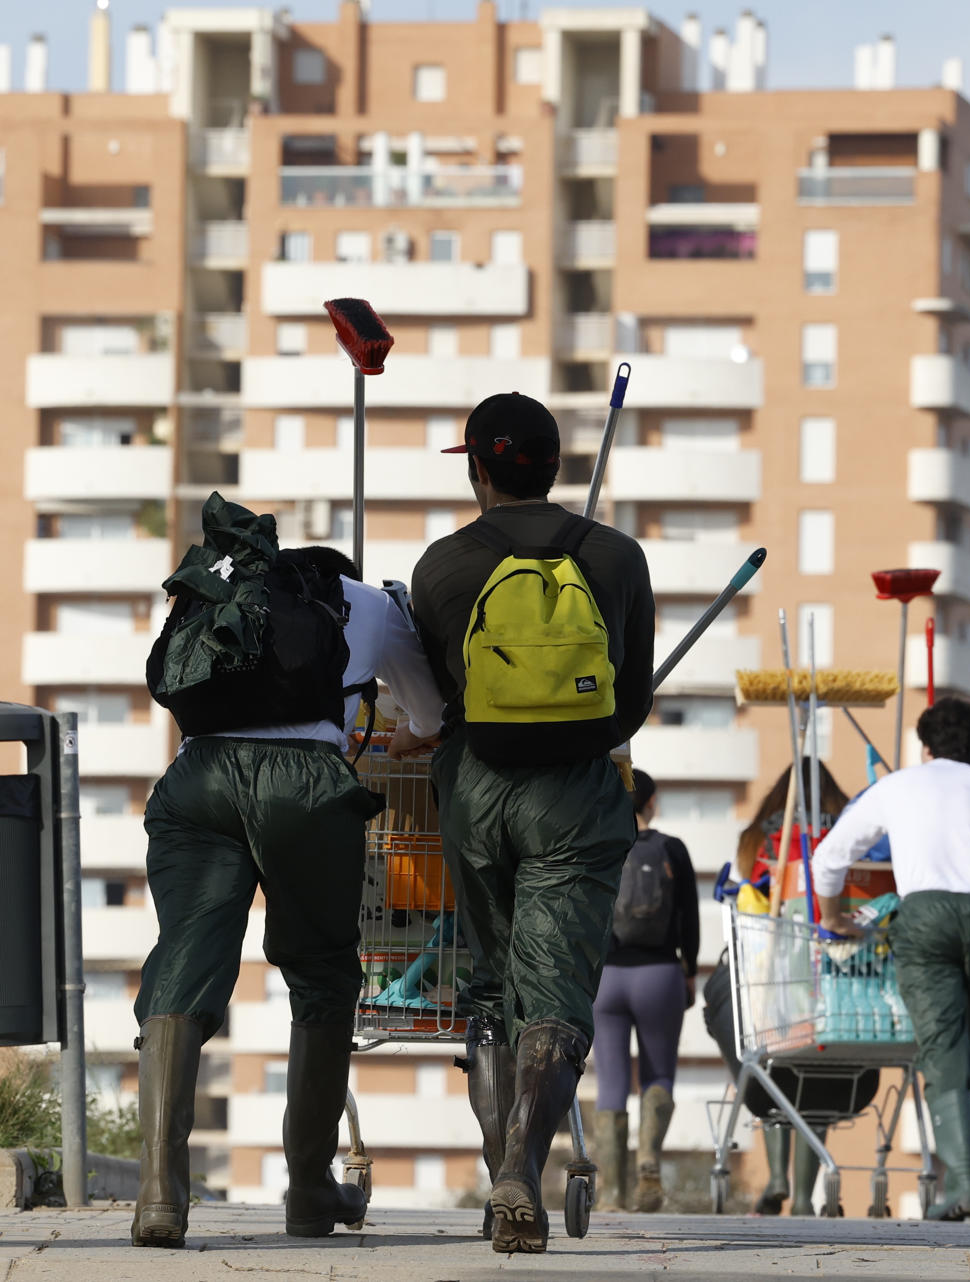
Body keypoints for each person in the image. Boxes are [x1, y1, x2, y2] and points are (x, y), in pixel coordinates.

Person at [132, 527, 444, 1248]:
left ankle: (159, 1194)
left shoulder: (226, 588)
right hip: (304, 784)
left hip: (197, 779)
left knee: (184, 962)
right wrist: (401, 735)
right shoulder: (368, 602)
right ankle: (308, 1190)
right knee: (323, 974)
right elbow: (428, 713)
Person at [409, 392, 655, 1254]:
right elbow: (632, 707)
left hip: (474, 790)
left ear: (478, 467)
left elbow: (439, 699)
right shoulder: (617, 559)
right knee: (553, 993)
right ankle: (522, 1163)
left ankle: (501, 1167)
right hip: (575, 800)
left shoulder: (441, 567)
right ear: (555, 466)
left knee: (489, 982)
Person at [811, 698, 970, 1222]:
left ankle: (962, 1189)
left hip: (926, 916)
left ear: (926, 747)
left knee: (943, 1049)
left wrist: (837, 918)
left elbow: (828, 857)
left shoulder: (898, 784)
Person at [701, 759, 873, 1217]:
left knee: (768, 1061)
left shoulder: (757, 837)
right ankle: (802, 1196)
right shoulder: (848, 833)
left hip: (772, 968)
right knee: (822, 1075)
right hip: (835, 969)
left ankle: (776, 1178)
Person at [590, 769, 699, 1214]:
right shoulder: (671, 849)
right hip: (660, 974)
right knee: (659, 1074)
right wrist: (688, 971)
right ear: (652, 803)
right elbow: (689, 918)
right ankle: (650, 1158)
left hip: (607, 979)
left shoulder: (599, 844)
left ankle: (612, 1194)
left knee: (611, 1085)